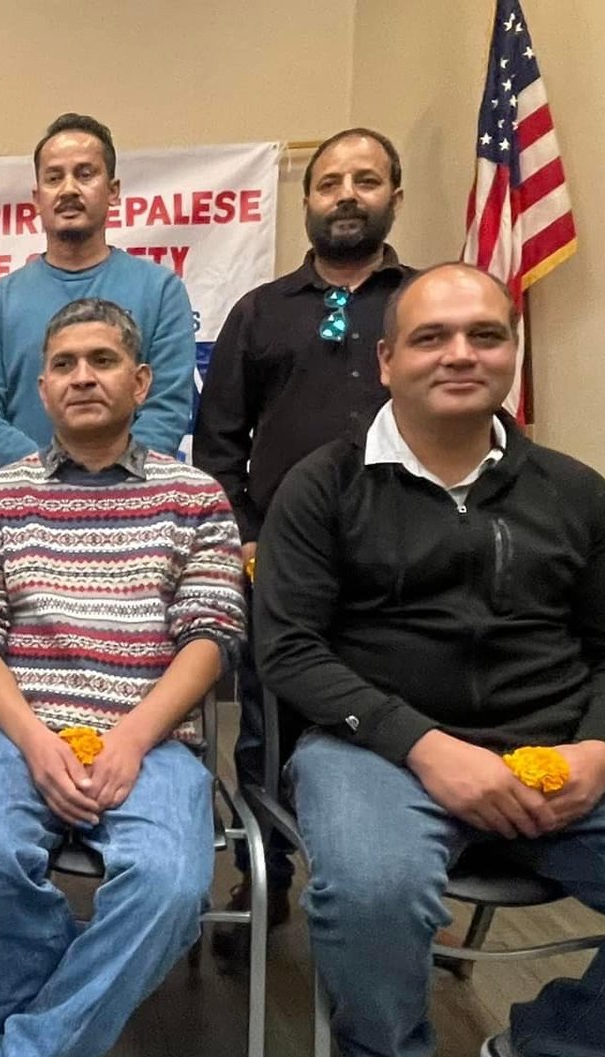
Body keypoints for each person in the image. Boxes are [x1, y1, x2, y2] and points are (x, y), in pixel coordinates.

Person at [256, 264, 605, 1057]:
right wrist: (428, 747)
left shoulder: (575, 492)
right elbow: (289, 648)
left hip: (566, 753)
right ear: (389, 361)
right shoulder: (321, 487)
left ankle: (556, 1056)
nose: (459, 354)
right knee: (372, 893)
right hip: (378, 753)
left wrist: (604, 753)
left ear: (513, 351)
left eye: (485, 335)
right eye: (431, 337)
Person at [0, 299, 245, 1057]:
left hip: (155, 735)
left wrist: (133, 739)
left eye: (102, 362)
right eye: (65, 365)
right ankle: (56, 1044)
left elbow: (212, 636)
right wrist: (35, 742)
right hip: (15, 730)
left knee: (174, 885)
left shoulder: (195, 496)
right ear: (41, 390)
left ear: (140, 382)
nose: (82, 378)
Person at [192, 127, 417, 940]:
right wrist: (246, 539)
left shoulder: (426, 306)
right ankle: (266, 877)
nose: (346, 195)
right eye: (329, 183)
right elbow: (218, 446)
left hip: (407, 560)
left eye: (366, 179)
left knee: (410, 711)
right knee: (266, 725)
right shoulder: (258, 312)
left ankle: (403, 876)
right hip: (280, 562)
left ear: (396, 194)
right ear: (308, 200)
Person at [0, 113, 197, 475]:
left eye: (85, 174)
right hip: (21, 500)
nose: (69, 189)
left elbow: (168, 407)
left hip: (133, 499)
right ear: (37, 198)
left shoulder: (161, 290)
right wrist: (49, 475)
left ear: (113, 190)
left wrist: (108, 476)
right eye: (54, 178)